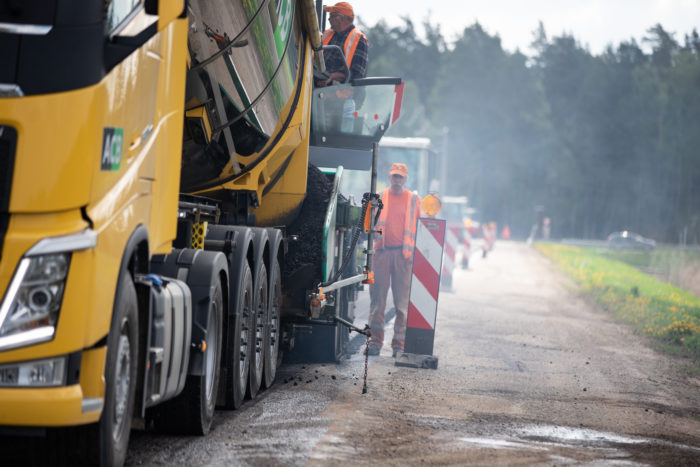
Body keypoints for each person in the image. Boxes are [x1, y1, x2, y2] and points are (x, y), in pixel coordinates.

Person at [368, 163, 421, 357]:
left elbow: (421, 228)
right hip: (381, 254)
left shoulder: (414, 200)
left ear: (405, 179)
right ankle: (375, 342)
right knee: (377, 303)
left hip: (403, 256)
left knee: (402, 306)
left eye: (400, 177)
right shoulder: (380, 197)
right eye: (394, 177)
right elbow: (368, 224)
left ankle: (398, 346)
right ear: (389, 177)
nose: (397, 180)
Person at [318, 2, 368, 87]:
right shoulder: (327, 34)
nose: (329, 19)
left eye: (332, 16)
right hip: (319, 87)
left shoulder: (359, 40)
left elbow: (357, 74)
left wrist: (331, 76)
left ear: (341, 18)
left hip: (341, 94)